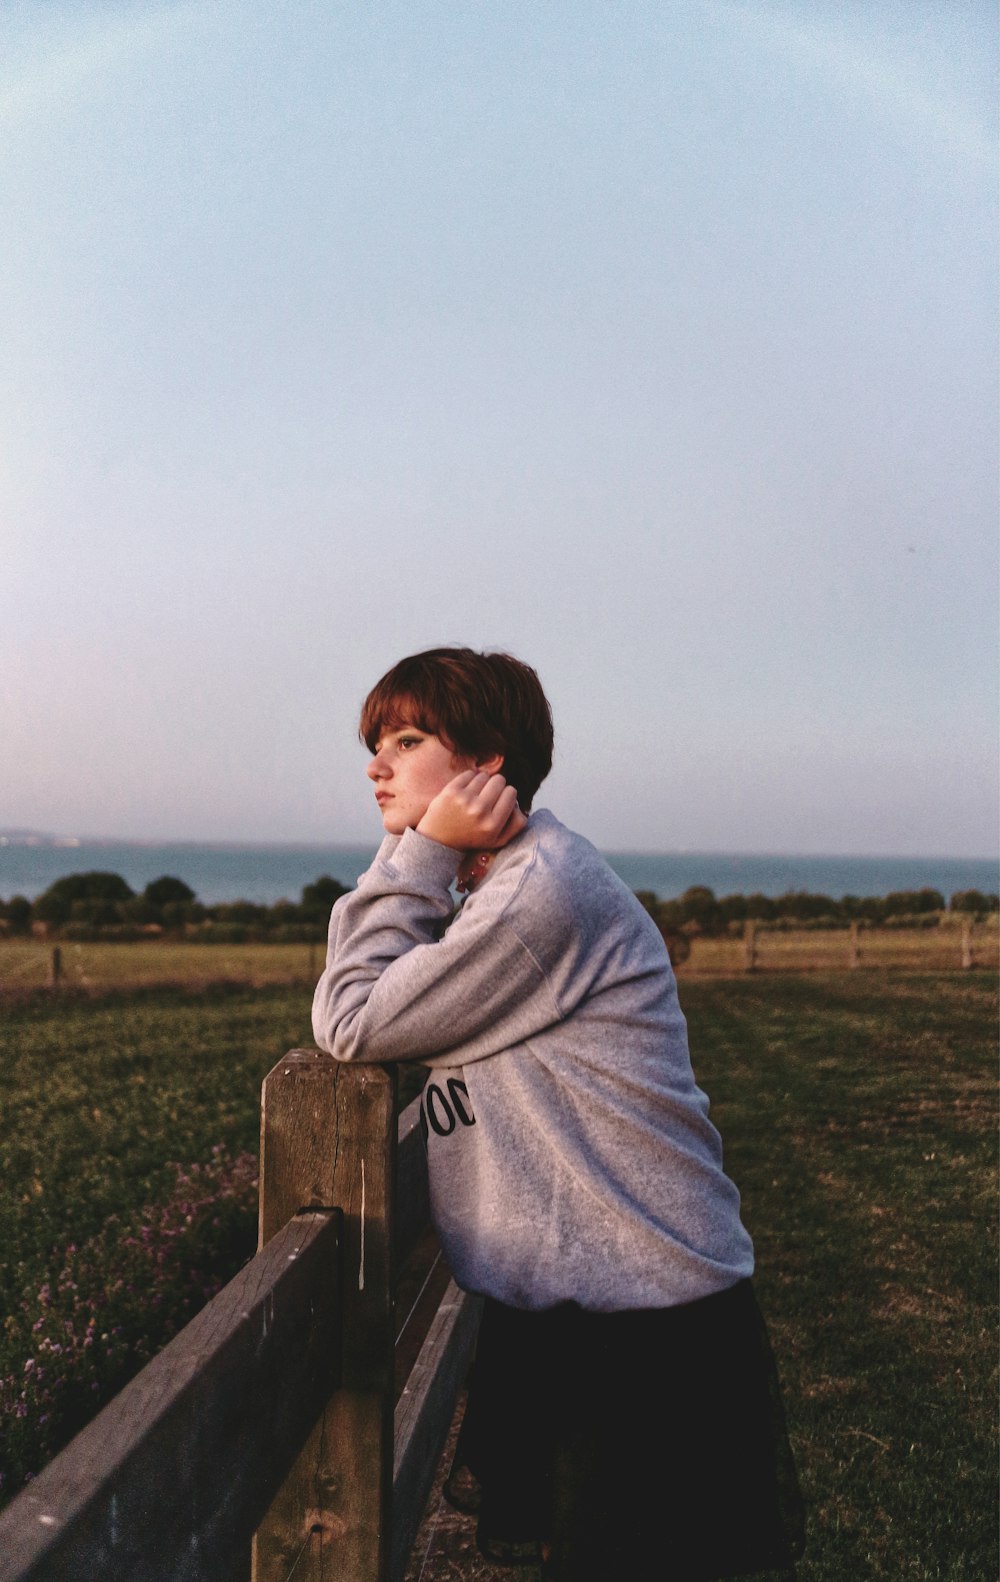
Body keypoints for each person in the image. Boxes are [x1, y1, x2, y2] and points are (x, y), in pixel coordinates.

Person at [311, 646, 804, 1582]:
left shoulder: (540, 896)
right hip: (583, 1306)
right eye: (375, 743)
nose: (375, 765)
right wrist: (428, 846)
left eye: (407, 740)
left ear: (488, 761)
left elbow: (350, 1017)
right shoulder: (496, 884)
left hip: (649, 1332)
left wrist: (418, 850)